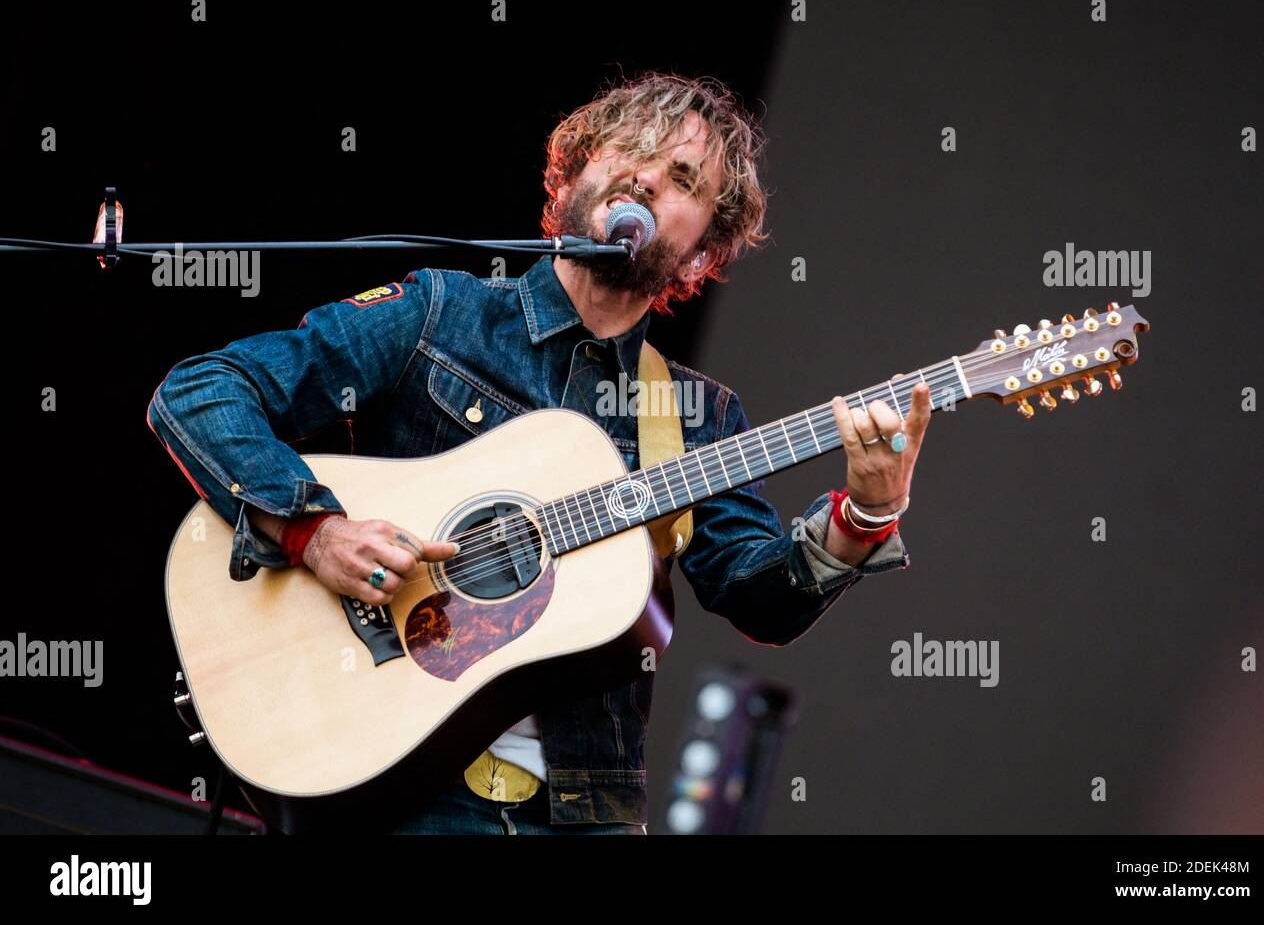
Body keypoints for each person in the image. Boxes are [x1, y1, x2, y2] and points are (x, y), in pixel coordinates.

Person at [146, 72, 931, 835]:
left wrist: (864, 513)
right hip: (398, 789)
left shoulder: (697, 415)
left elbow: (762, 599)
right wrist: (312, 531)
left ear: (699, 258)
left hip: (583, 809)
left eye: (683, 177)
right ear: (576, 171)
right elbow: (202, 391)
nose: (647, 177)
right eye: (630, 148)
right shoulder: (440, 312)